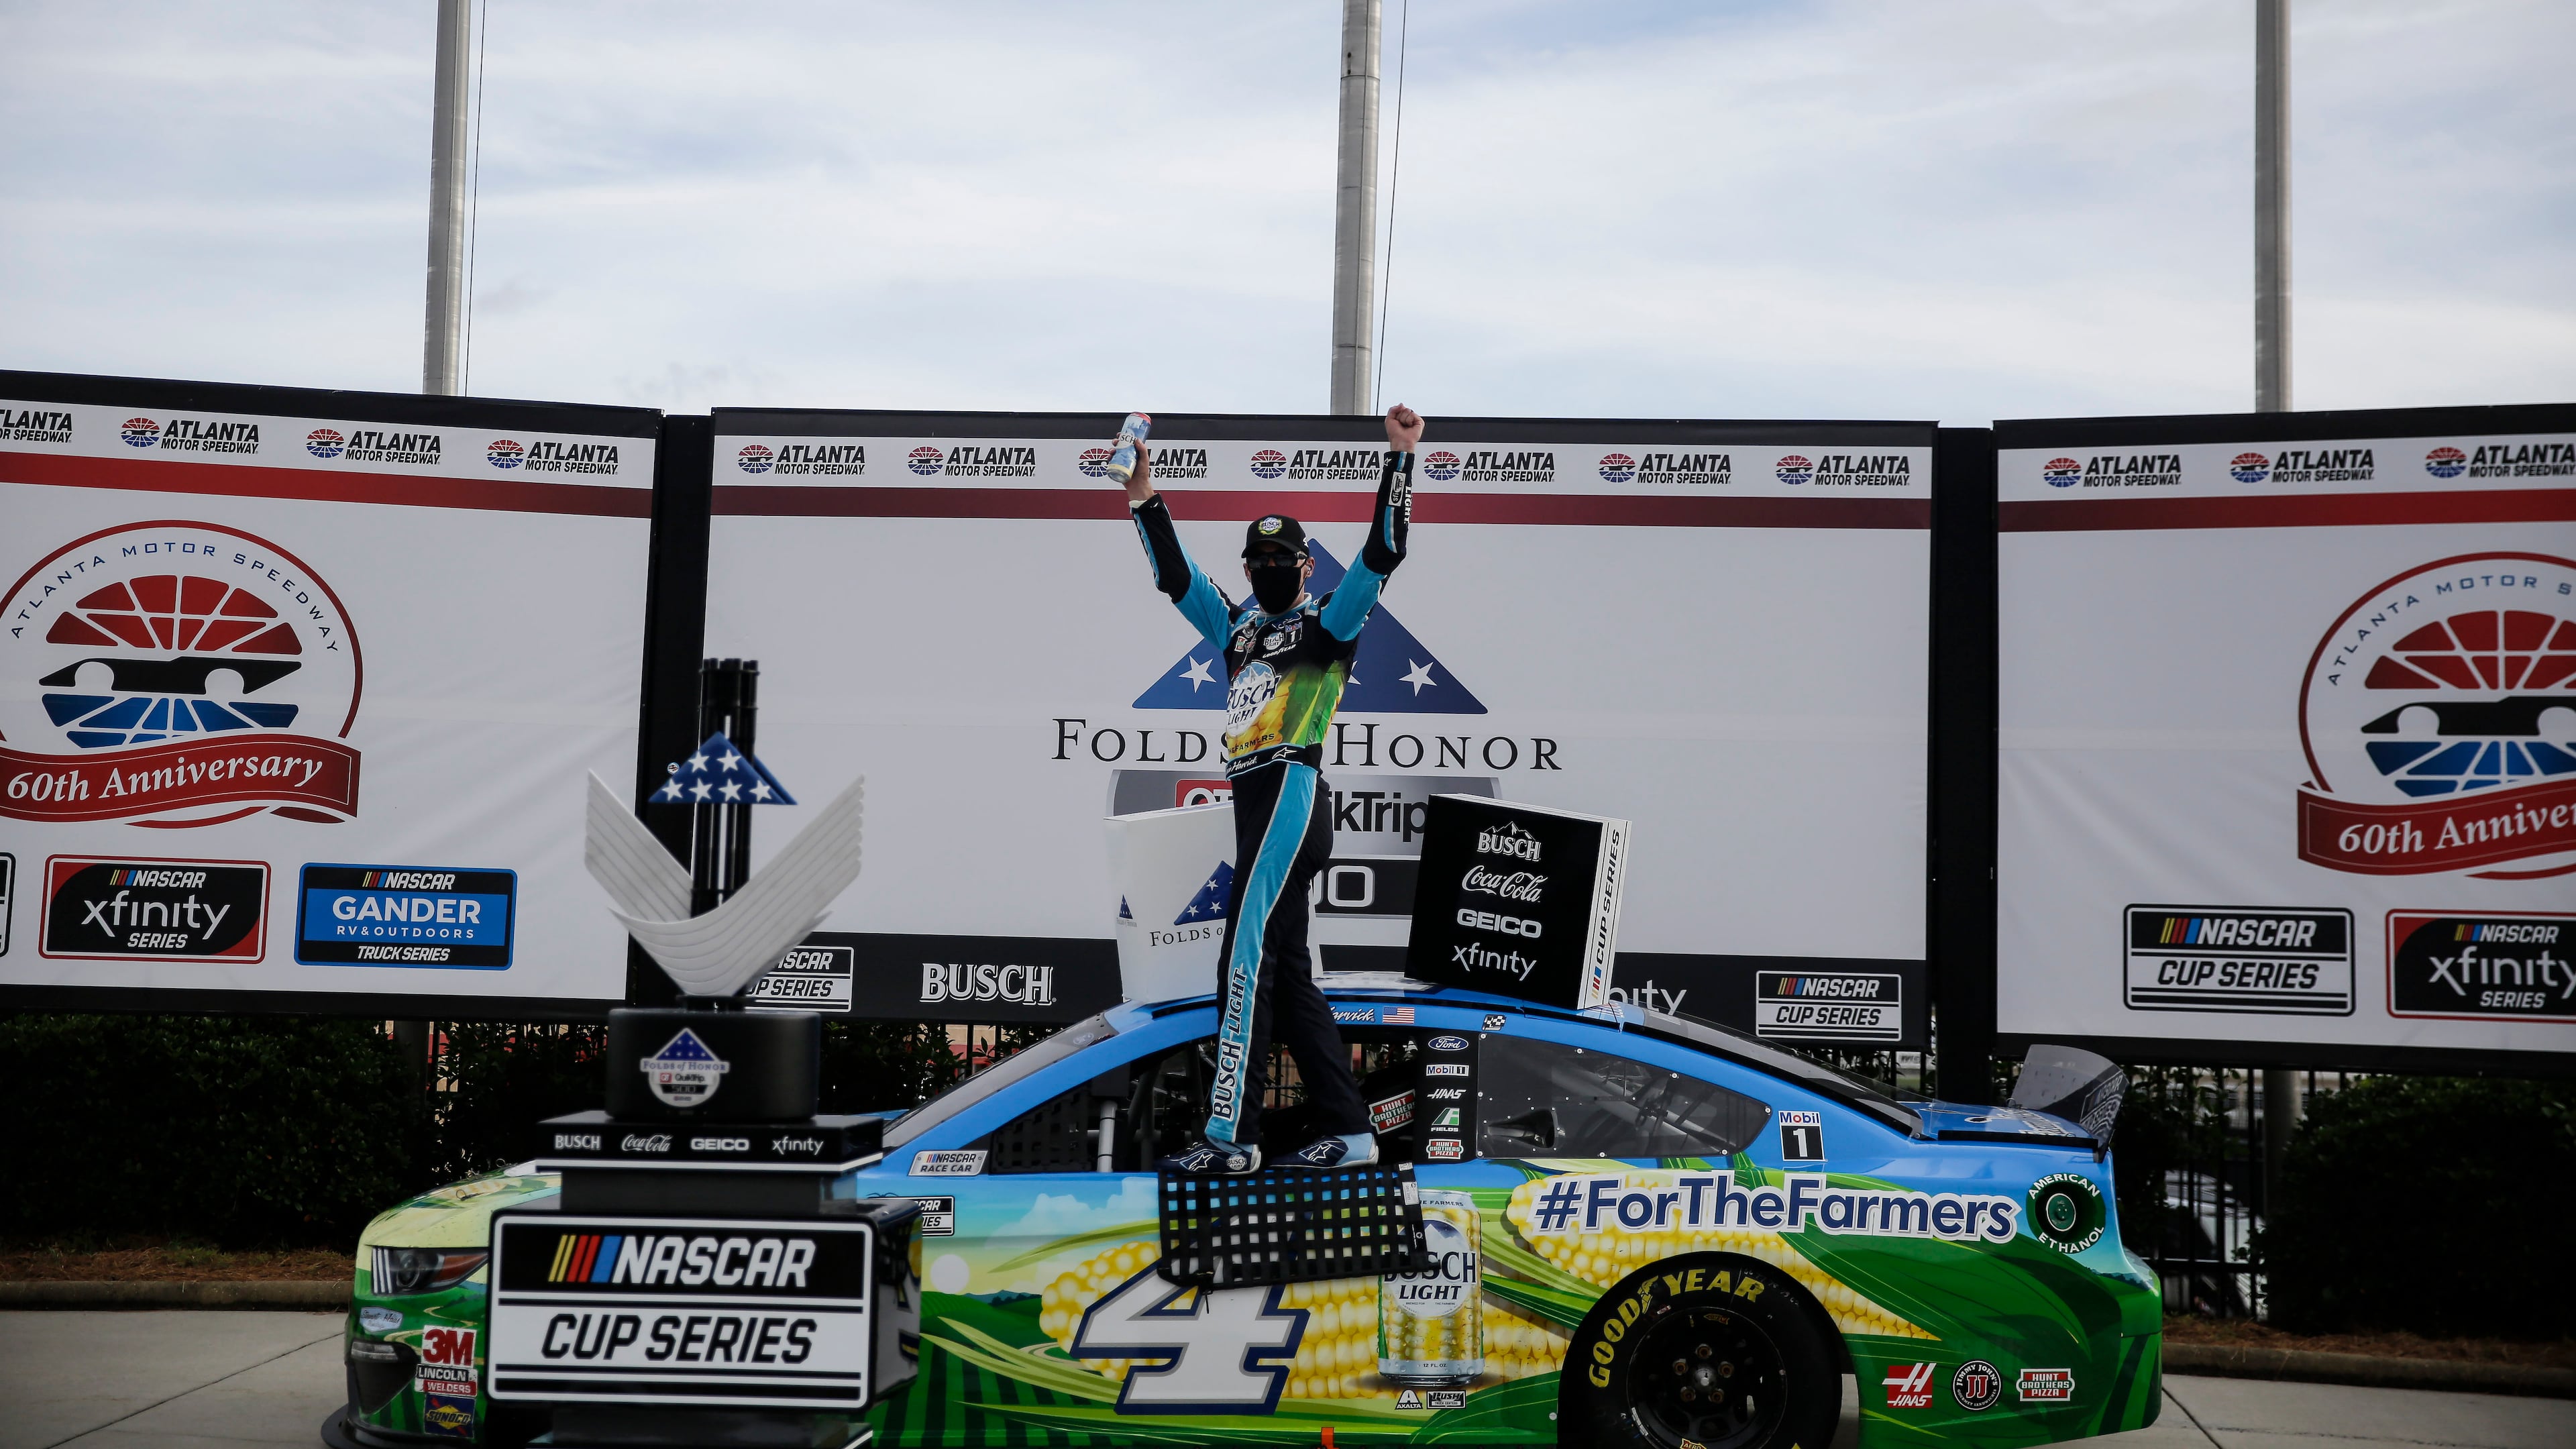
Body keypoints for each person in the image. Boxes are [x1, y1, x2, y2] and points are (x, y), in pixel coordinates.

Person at [1120, 404, 1425, 1173]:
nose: (1268, 568)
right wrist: (1143, 495)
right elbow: (1176, 577)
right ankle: (1352, 1133)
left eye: (1282, 558)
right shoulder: (1239, 630)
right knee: (1288, 972)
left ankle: (1232, 1138)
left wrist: (1400, 458)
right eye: (1258, 561)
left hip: (1293, 784)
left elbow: (1383, 552)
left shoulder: (1331, 622)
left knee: (1242, 955)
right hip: (1250, 795)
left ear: (1306, 565)